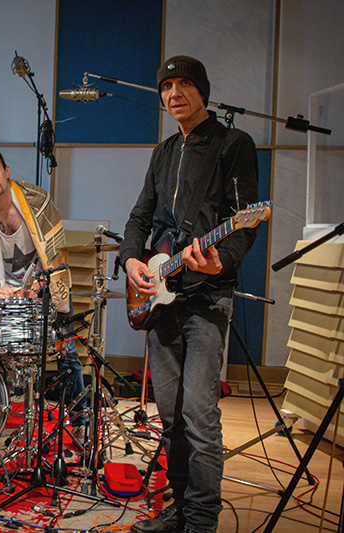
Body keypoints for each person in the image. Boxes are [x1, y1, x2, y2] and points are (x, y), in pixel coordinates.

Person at [120, 56, 259, 533]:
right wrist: (131, 260)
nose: (173, 93)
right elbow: (140, 216)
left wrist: (223, 260)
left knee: (199, 415)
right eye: (166, 86)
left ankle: (201, 521)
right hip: (160, 301)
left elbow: (245, 224)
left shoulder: (233, 145)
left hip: (207, 298)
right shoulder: (163, 151)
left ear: (202, 91)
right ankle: (179, 508)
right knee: (172, 418)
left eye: (183, 84)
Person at [0, 145, 85, 413]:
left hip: (43, 282)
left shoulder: (37, 201)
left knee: (67, 350)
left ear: (7, 171)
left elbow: (56, 256)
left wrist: (37, 287)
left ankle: (79, 418)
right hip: (0, 289)